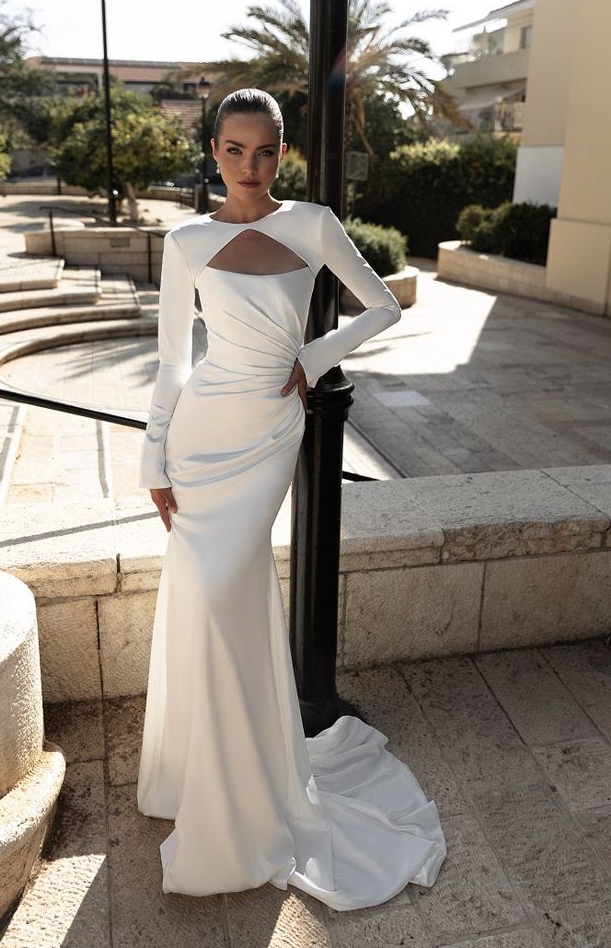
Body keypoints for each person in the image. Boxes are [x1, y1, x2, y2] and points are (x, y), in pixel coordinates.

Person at [136, 88, 447, 909]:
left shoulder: (310, 224)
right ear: (213, 151)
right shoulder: (187, 239)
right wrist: (152, 460)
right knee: (202, 599)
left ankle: (242, 797)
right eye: (234, 150)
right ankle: (198, 772)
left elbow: (382, 304)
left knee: (223, 592)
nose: (249, 165)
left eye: (265, 150)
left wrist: (314, 355)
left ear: (283, 153)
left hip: (270, 429)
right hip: (200, 433)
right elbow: (171, 360)